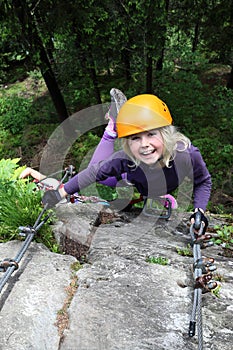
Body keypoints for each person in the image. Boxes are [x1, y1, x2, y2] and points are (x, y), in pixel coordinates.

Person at [20, 90, 211, 230]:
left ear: (166, 133)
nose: (144, 144)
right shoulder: (125, 158)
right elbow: (92, 173)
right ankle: (113, 127)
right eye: (135, 138)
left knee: (152, 187)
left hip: (151, 185)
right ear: (127, 143)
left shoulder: (186, 155)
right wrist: (58, 194)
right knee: (102, 175)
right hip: (131, 177)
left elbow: (203, 180)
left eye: (151, 134)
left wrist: (199, 211)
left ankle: (155, 192)